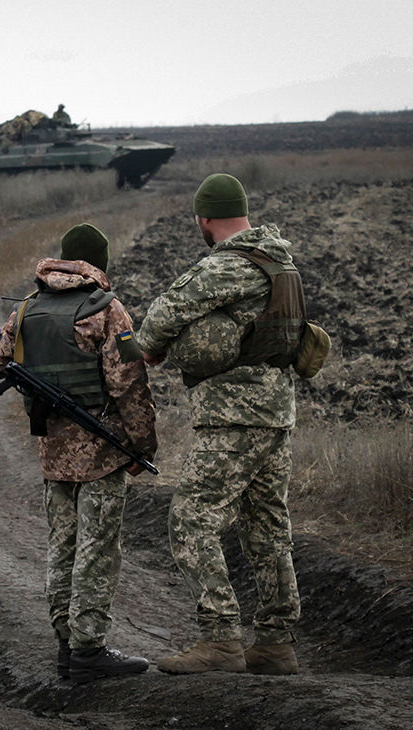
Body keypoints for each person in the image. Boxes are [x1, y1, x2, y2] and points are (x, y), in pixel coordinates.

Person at [135, 173, 304, 676]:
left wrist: (153, 348)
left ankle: (221, 638)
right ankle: (275, 644)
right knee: (267, 526)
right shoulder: (282, 262)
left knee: (190, 520)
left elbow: (161, 318)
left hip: (234, 415)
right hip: (275, 412)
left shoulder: (228, 265)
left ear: (205, 219)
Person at [0, 224, 158, 683]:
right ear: (100, 262)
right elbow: (129, 384)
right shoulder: (105, 308)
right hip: (102, 454)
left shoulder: (28, 308)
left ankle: (67, 643)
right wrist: (142, 444)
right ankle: (89, 649)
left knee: (62, 547)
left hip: (54, 453)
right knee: (96, 550)